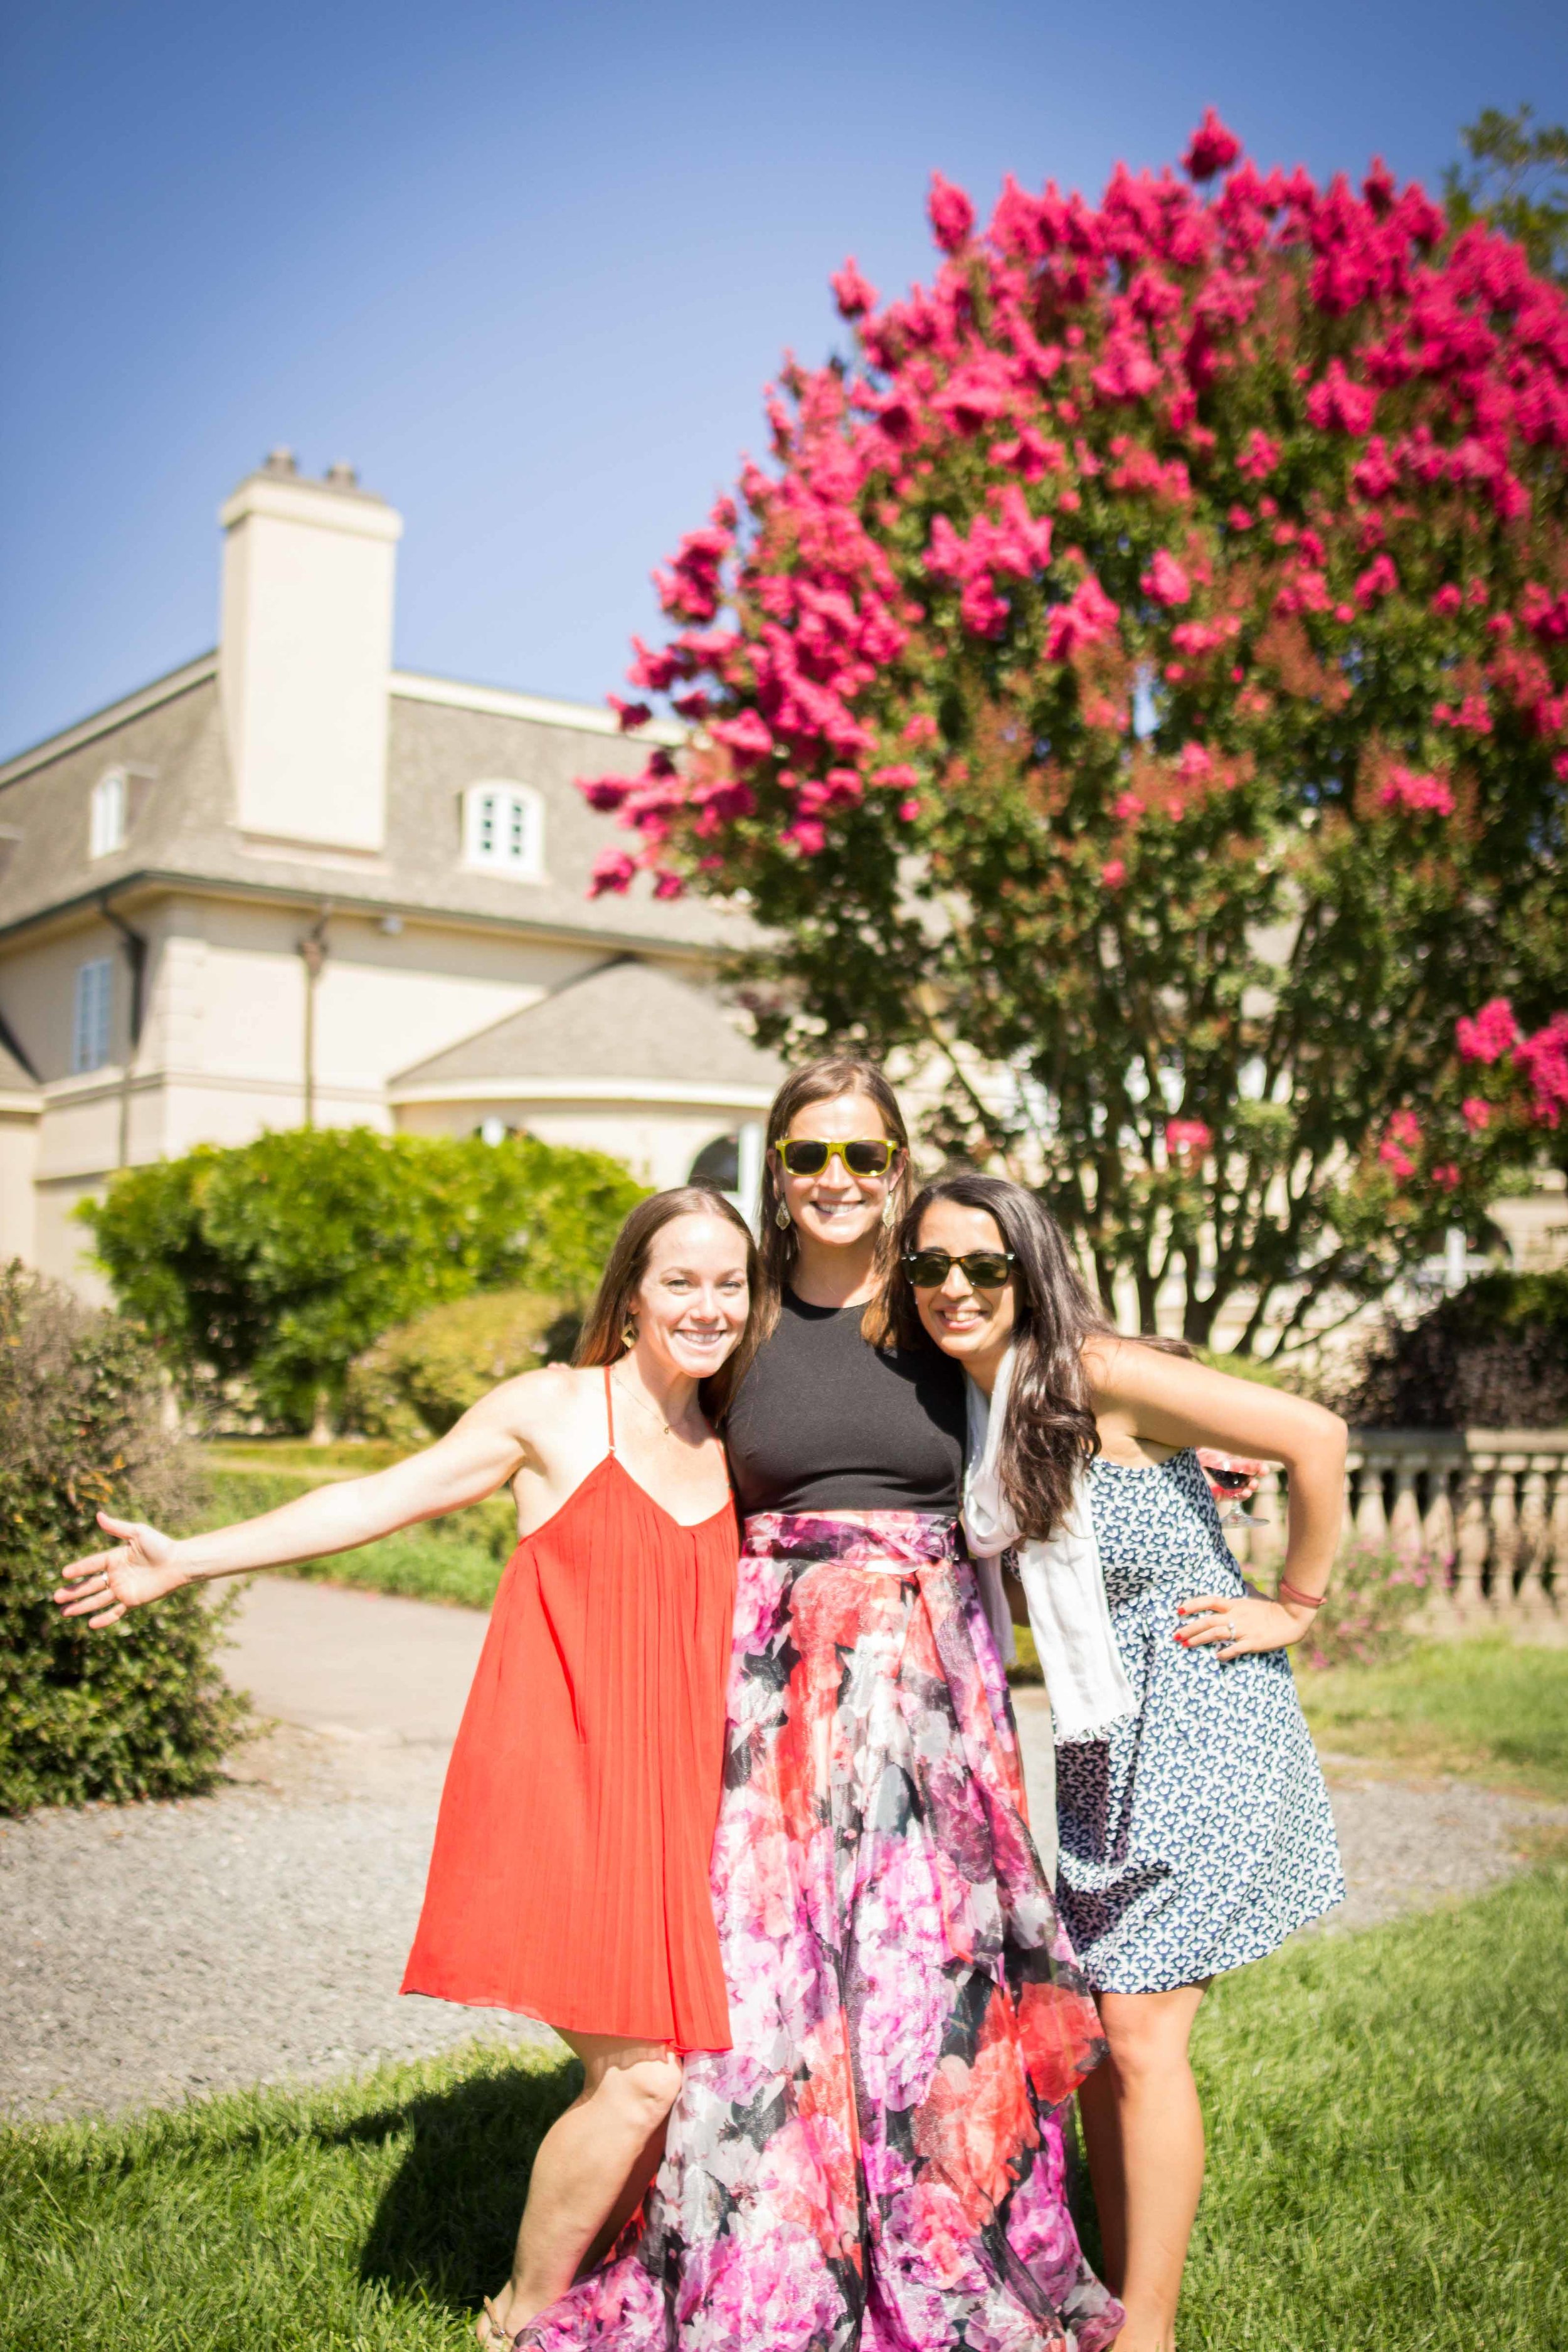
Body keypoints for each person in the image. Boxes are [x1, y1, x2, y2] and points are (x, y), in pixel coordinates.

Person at [53, 1186, 757, 2348]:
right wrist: (188, 1559)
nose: (706, 1304)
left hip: (688, 1800)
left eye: (729, 1282)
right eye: (679, 1279)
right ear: (629, 1292)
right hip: (572, 1786)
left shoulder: (738, 1436)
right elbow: (381, 1496)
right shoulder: (553, 1410)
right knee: (641, 2077)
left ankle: (620, 2292)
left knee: (689, 2073)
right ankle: (516, 2318)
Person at [519, 1061, 1123, 2352]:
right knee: (762, 1989)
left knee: (928, 1983)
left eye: (862, 1156)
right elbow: (624, 1463)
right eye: (808, 1156)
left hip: (932, 1707)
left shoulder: (942, 1313)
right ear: (775, 1169)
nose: (836, 1181)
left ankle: (936, 2237)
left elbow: (1082, 1403)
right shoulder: (729, 1326)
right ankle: (769, 2258)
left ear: (895, 1167)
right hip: (764, 1706)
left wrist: (1211, 1481)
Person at [893, 1169, 1347, 2352]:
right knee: (1099, 2030)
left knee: (1142, 2038)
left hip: (1203, 1724)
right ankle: (1105, 2286)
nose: (953, 1286)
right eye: (930, 1265)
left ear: (1027, 1268)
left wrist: (1293, 1604)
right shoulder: (981, 1398)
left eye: (983, 1266)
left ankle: (1145, 2335)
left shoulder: (1095, 1372)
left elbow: (1316, 1434)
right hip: (1104, 1745)